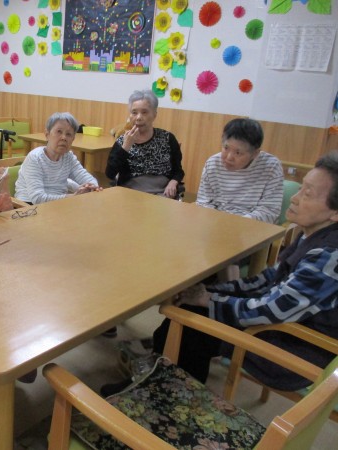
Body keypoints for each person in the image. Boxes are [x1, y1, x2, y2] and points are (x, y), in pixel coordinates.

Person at [107, 152, 338, 394]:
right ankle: (158, 376)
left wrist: (208, 300)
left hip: (292, 352)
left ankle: (165, 392)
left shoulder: (328, 257)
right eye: (301, 188)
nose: (295, 198)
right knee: (192, 306)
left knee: (190, 324)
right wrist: (209, 292)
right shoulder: (311, 234)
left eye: (308, 194)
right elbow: (269, 280)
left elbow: (273, 309)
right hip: (280, 328)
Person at [196, 118, 284, 224]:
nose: (229, 157)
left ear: (255, 153)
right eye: (226, 148)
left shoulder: (271, 167)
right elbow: (203, 202)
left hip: (251, 226)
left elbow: (269, 212)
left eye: (238, 153)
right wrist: (217, 221)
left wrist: (235, 223)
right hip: (215, 222)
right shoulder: (213, 163)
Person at [105, 90, 184, 198]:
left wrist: (174, 182)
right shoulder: (123, 140)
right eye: (134, 112)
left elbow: (178, 170)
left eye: (144, 112)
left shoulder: (167, 138)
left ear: (154, 115)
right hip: (130, 193)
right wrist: (125, 147)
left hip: (162, 193)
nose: (138, 117)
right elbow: (110, 174)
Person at [15, 112, 102, 204]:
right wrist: (73, 197)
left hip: (58, 203)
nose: (64, 137)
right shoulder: (35, 158)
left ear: (73, 139)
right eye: (59, 132)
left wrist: (91, 186)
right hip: (29, 206)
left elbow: (87, 178)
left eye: (69, 134)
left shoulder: (68, 157)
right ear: (47, 134)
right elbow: (37, 198)